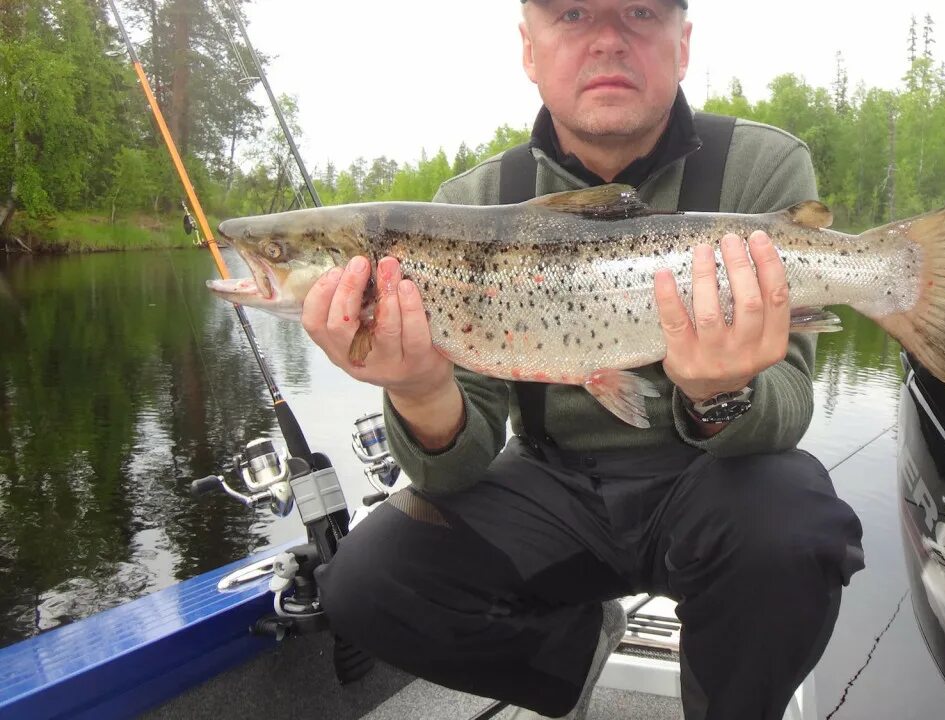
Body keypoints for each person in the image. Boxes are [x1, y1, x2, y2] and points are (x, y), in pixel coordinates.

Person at [305, 1, 864, 718]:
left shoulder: (760, 165)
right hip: (550, 484)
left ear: (682, 43)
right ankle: (572, 653)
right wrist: (418, 386)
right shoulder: (470, 203)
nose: (607, 39)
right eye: (571, 14)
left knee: (794, 525)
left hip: (716, 485)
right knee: (364, 584)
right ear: (529, 50)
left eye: (639, 11)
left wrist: (720, 394)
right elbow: (458, 469)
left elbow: (790, 402)